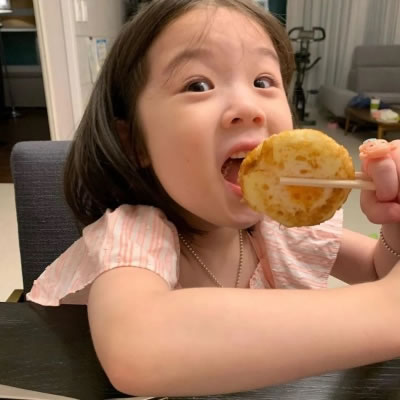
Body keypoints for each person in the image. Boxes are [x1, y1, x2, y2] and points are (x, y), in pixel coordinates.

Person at [27, 0, 400, 396]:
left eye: (263, 81)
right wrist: (386, 309)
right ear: (136, 142)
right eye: (198, 85)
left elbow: (379, 271)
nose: (249, 108)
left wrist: (394, 222)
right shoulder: (132, 233)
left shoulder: (282, 228)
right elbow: (139, 350)